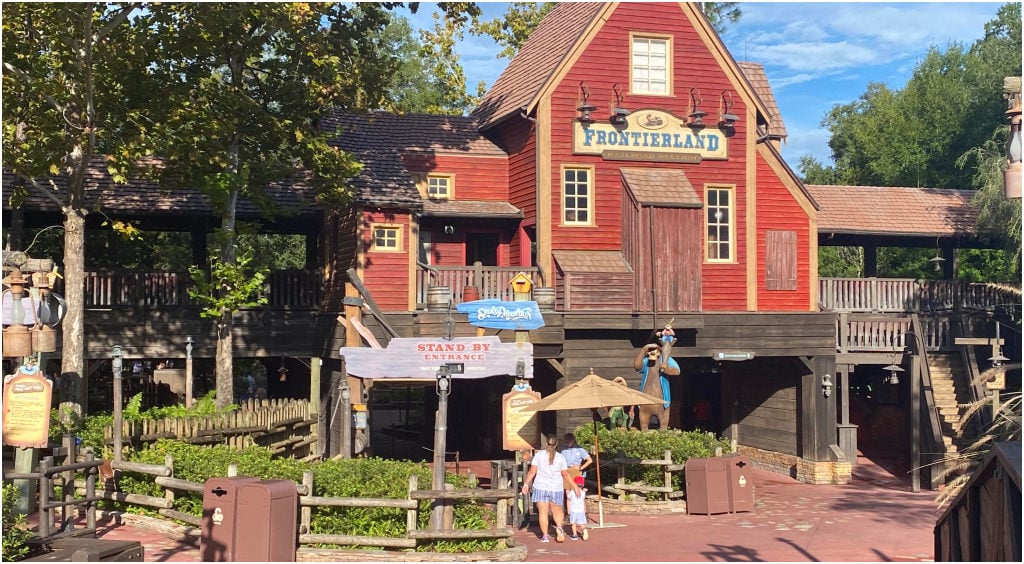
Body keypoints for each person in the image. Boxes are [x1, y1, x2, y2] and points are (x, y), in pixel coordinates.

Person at [521, 435, 573, 543]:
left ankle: (545, 536)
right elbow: (565, 474)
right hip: (556, 487)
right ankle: (559, 528)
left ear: (546, 443)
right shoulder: (561, 457)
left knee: (543, 512)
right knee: (557, 510)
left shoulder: (539, 456)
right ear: (557, 444)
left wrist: (526, 483)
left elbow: (532, 471)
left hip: (541, 487)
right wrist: (575, 486)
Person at [566, 475, 589, 541]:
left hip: (573, 510)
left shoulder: (572, 493)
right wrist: (585, 510)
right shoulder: (583, 493)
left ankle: (575, 535)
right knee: (581, 523)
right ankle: (584, 530)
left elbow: (568, 500)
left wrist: (568, 510)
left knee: (573, 523)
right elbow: (583, 501)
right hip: (581, 511)